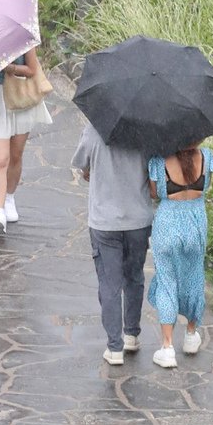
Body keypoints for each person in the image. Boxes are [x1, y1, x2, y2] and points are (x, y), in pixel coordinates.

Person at [71, 117, 151, 366]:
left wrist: (90, 172)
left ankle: (114, 347)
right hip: (138, 219)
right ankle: (131, 335)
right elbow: (153, 172)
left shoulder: (94, 131)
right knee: (135, 277)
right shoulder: (144, 132)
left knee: (109, 283)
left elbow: (82, 166)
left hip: (104, 222)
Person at [147, 141, 213, 367]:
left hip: (167, 226)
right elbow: (206, 187)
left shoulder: (159, 161)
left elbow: (154, 194)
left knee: (167, 282)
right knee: (194, 278)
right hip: (196, 225)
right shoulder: (206, 157)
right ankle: (190, 335)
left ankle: (167, 347)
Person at [0, 46, 52, 231]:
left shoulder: (22, 37)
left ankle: (9, 198)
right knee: (0, 159)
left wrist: (10, 68)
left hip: (20, 96)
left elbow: (32, 69)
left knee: (16, 154)